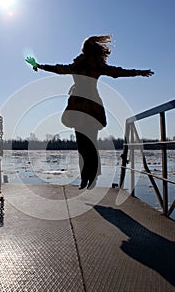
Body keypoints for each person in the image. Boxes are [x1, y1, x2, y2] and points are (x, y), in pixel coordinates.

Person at [31, 35, 154, 190]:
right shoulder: (95, 66)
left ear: (84, 50)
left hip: (78, 108)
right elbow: (118, 72)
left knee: (83, 146)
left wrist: (39, 66)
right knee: (90, 145)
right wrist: (138, 72)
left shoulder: (78, 65)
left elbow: (58, 69)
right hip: (92, 107)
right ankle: (91, 177)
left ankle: (86, 178)